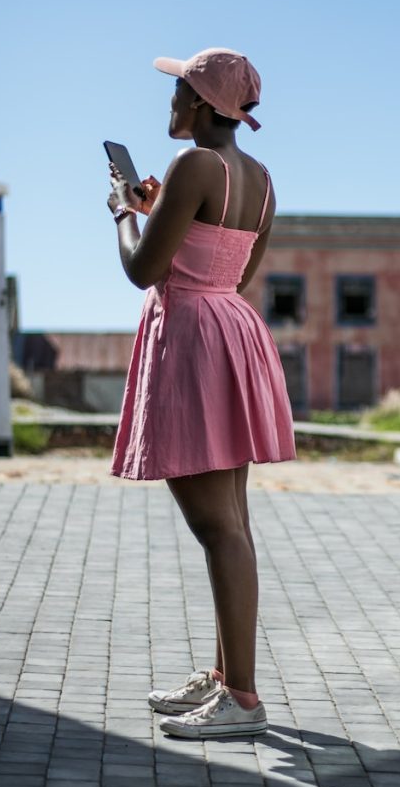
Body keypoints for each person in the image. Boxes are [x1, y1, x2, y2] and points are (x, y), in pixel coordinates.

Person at [106, 47, 296, 739]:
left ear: (204, 105)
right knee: (232, 522)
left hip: (191, 338)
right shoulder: (262, 178)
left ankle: (241, 699)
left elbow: (142, 270)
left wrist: (123, 214)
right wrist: (164, 215)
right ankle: (224, 678)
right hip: (232, 332)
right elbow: (233, 270)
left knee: (217, 529)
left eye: (180, 88)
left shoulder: (193, 165)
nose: (171, 101)